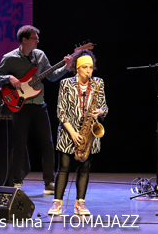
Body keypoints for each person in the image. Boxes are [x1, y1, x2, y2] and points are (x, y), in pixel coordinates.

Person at [0, 25, 72, 194]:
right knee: (19, 144)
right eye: (35, 38)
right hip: (20, 106)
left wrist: (66, 67)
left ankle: (49, 182)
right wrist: (9, 77)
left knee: (47, 143)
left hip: (39, 105)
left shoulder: (40, 56)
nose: (38, 41)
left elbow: (51, 76)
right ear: (25, 40)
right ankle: (17, 181)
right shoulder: (10, 58)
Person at [48, 49, 107, 216]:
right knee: (64, 167)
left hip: (88, 133)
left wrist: (100, 112)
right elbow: (61, 112)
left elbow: (104, 106)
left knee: (84, 168)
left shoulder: (98, 83)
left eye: (91, 67)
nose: (88, 71)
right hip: (68, 132)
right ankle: (57, 203)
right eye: (84, 67)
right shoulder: (66, 84)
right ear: (77, 68)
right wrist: (73, 134)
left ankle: (80, 203)